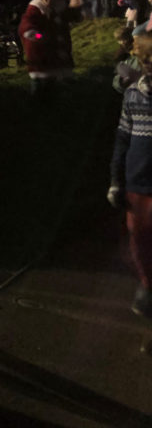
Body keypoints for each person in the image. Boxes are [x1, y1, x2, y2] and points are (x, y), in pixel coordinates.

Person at [108, 28, 152, 325]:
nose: (148, 65)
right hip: (137, 183)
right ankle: (148, 285)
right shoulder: (133, 95)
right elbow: (122, 139)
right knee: (140, 240)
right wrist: (115, 180)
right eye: (144, 59)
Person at [19, 0, 73, 97]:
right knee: (40, 93)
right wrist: (40, 36)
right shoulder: (34, 11)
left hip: (52, 62)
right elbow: (28, 30)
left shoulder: (54, 13)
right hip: (39, 61)